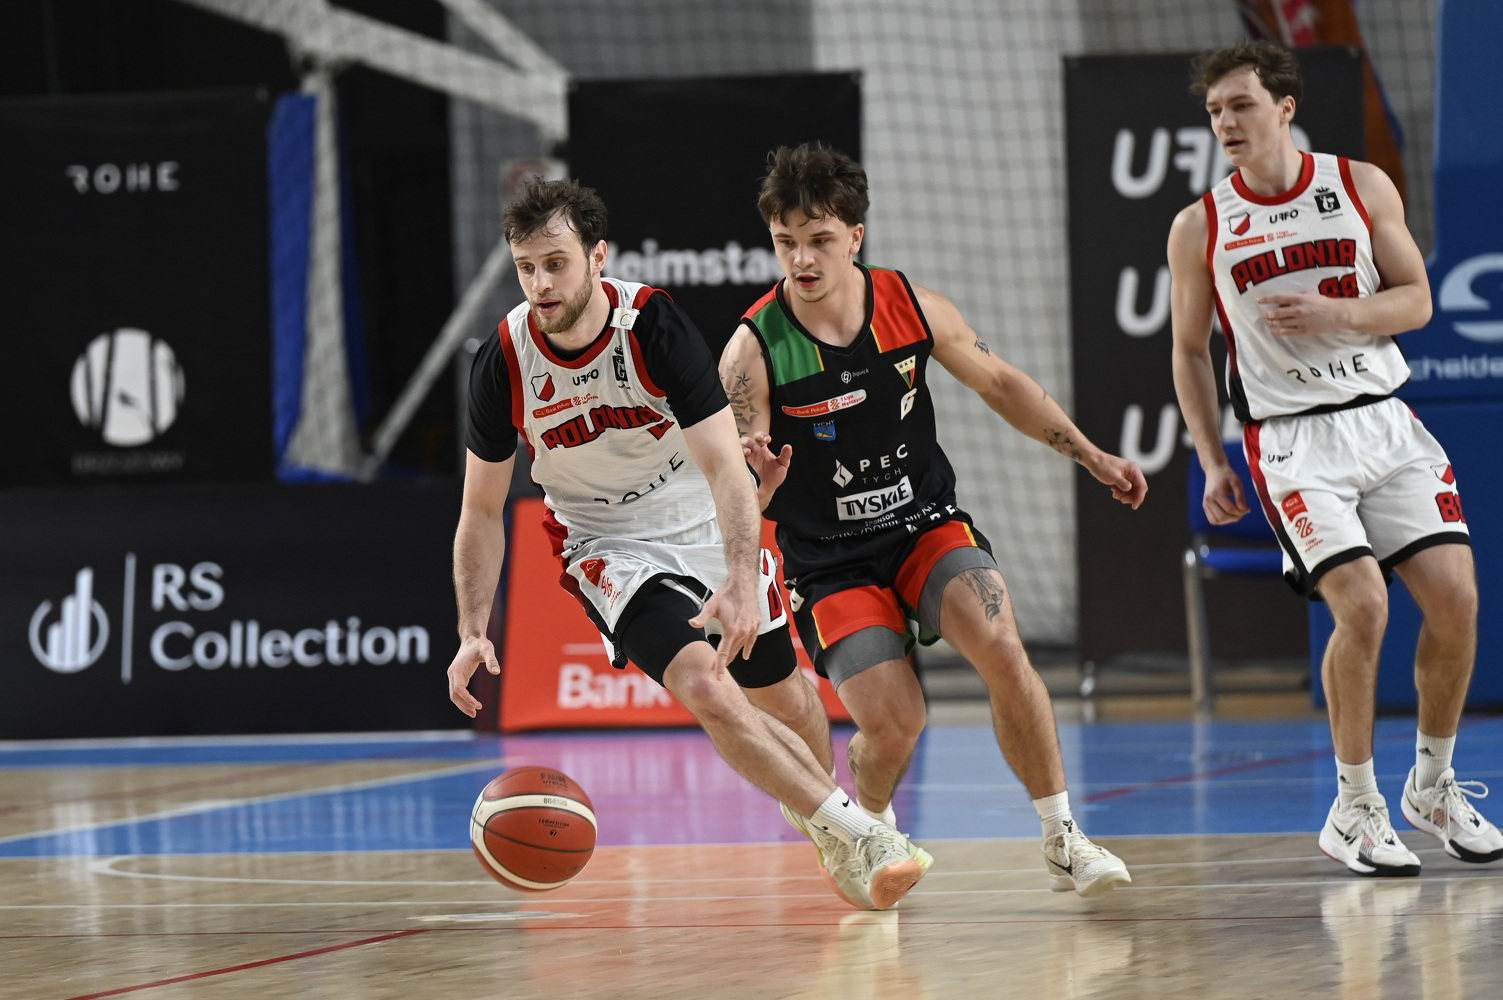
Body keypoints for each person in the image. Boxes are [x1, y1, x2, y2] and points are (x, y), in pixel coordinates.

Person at [446, 177, 928, 910]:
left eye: (556, 263)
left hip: (701, 518)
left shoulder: (651, 327)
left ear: (597, 257)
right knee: (702, 681)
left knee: (793, 704)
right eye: (526, 267)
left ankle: (828, 825)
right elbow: (481, 509)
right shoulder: (504, 359)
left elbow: (725, 468)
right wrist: (472, 628)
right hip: (604, 541)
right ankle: (862, 834)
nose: (540, 284)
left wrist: (739, 578)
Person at [721, 143, 1147, 897]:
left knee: (1003, 648)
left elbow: (1001, 383)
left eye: (819, 239)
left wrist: (1089, 454)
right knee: (895, 727)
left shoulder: (911, 306)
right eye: (786, 242)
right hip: (829, 558)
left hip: (925, 524)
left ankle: (1062, 838)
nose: (802, 259)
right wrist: (759, 486)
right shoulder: (752, 352)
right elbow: (733, 491)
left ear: (855, 235)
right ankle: (869, 827)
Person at [1167, 40, 1502, 875]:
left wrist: (1338, 313)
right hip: (1290, 441)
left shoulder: (1358, 185)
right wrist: (1212, 459)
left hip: (1383, 421)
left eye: (1240, 105)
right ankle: (1353, 807)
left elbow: (1416, 300)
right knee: (1362, 607)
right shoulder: (1200, 224)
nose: (1225, 122)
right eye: (1213, 111)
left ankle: (1431, 786)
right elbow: (1188, 350)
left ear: (1284, 108)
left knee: (1456, 600)